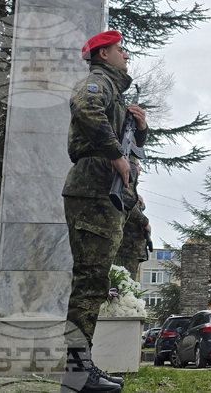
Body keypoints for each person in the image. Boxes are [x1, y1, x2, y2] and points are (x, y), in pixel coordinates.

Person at [62, 30, 147, 393]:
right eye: (121, 50)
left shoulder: (115, 89)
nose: (126, 55)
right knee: (89, 281)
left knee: (94, 281)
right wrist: (114, 154)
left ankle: (82, 369)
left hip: (102, 190)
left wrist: (140, 129)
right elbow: (84, 107)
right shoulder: (98, 83)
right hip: (93, 187)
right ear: (104, 54)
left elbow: (129, 149)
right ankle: (77, 374)